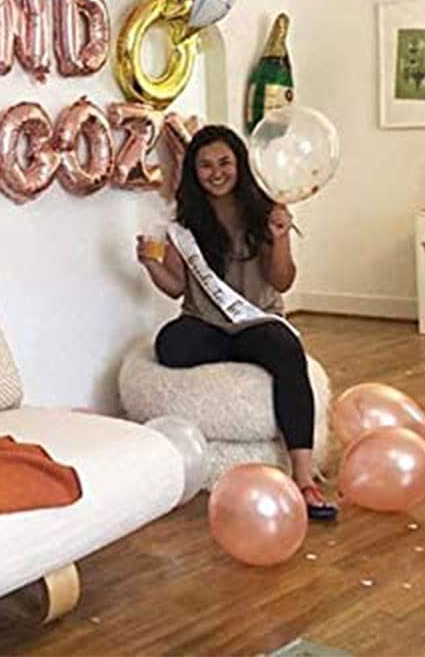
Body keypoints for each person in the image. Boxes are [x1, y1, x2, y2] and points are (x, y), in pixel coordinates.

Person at [136, 124, 336, 520]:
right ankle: (238, 352)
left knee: (287, 353)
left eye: (224, 162)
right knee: (170, 345)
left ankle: (303, 478)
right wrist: (150, 265)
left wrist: (281, 237)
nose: (216, 172)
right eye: (206, 165)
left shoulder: (266, 212)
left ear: (240, 164)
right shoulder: (183, 223)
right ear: (193, 171)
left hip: (256, 320)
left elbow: (283, 281)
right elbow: (176, 288)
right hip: (206, 323)